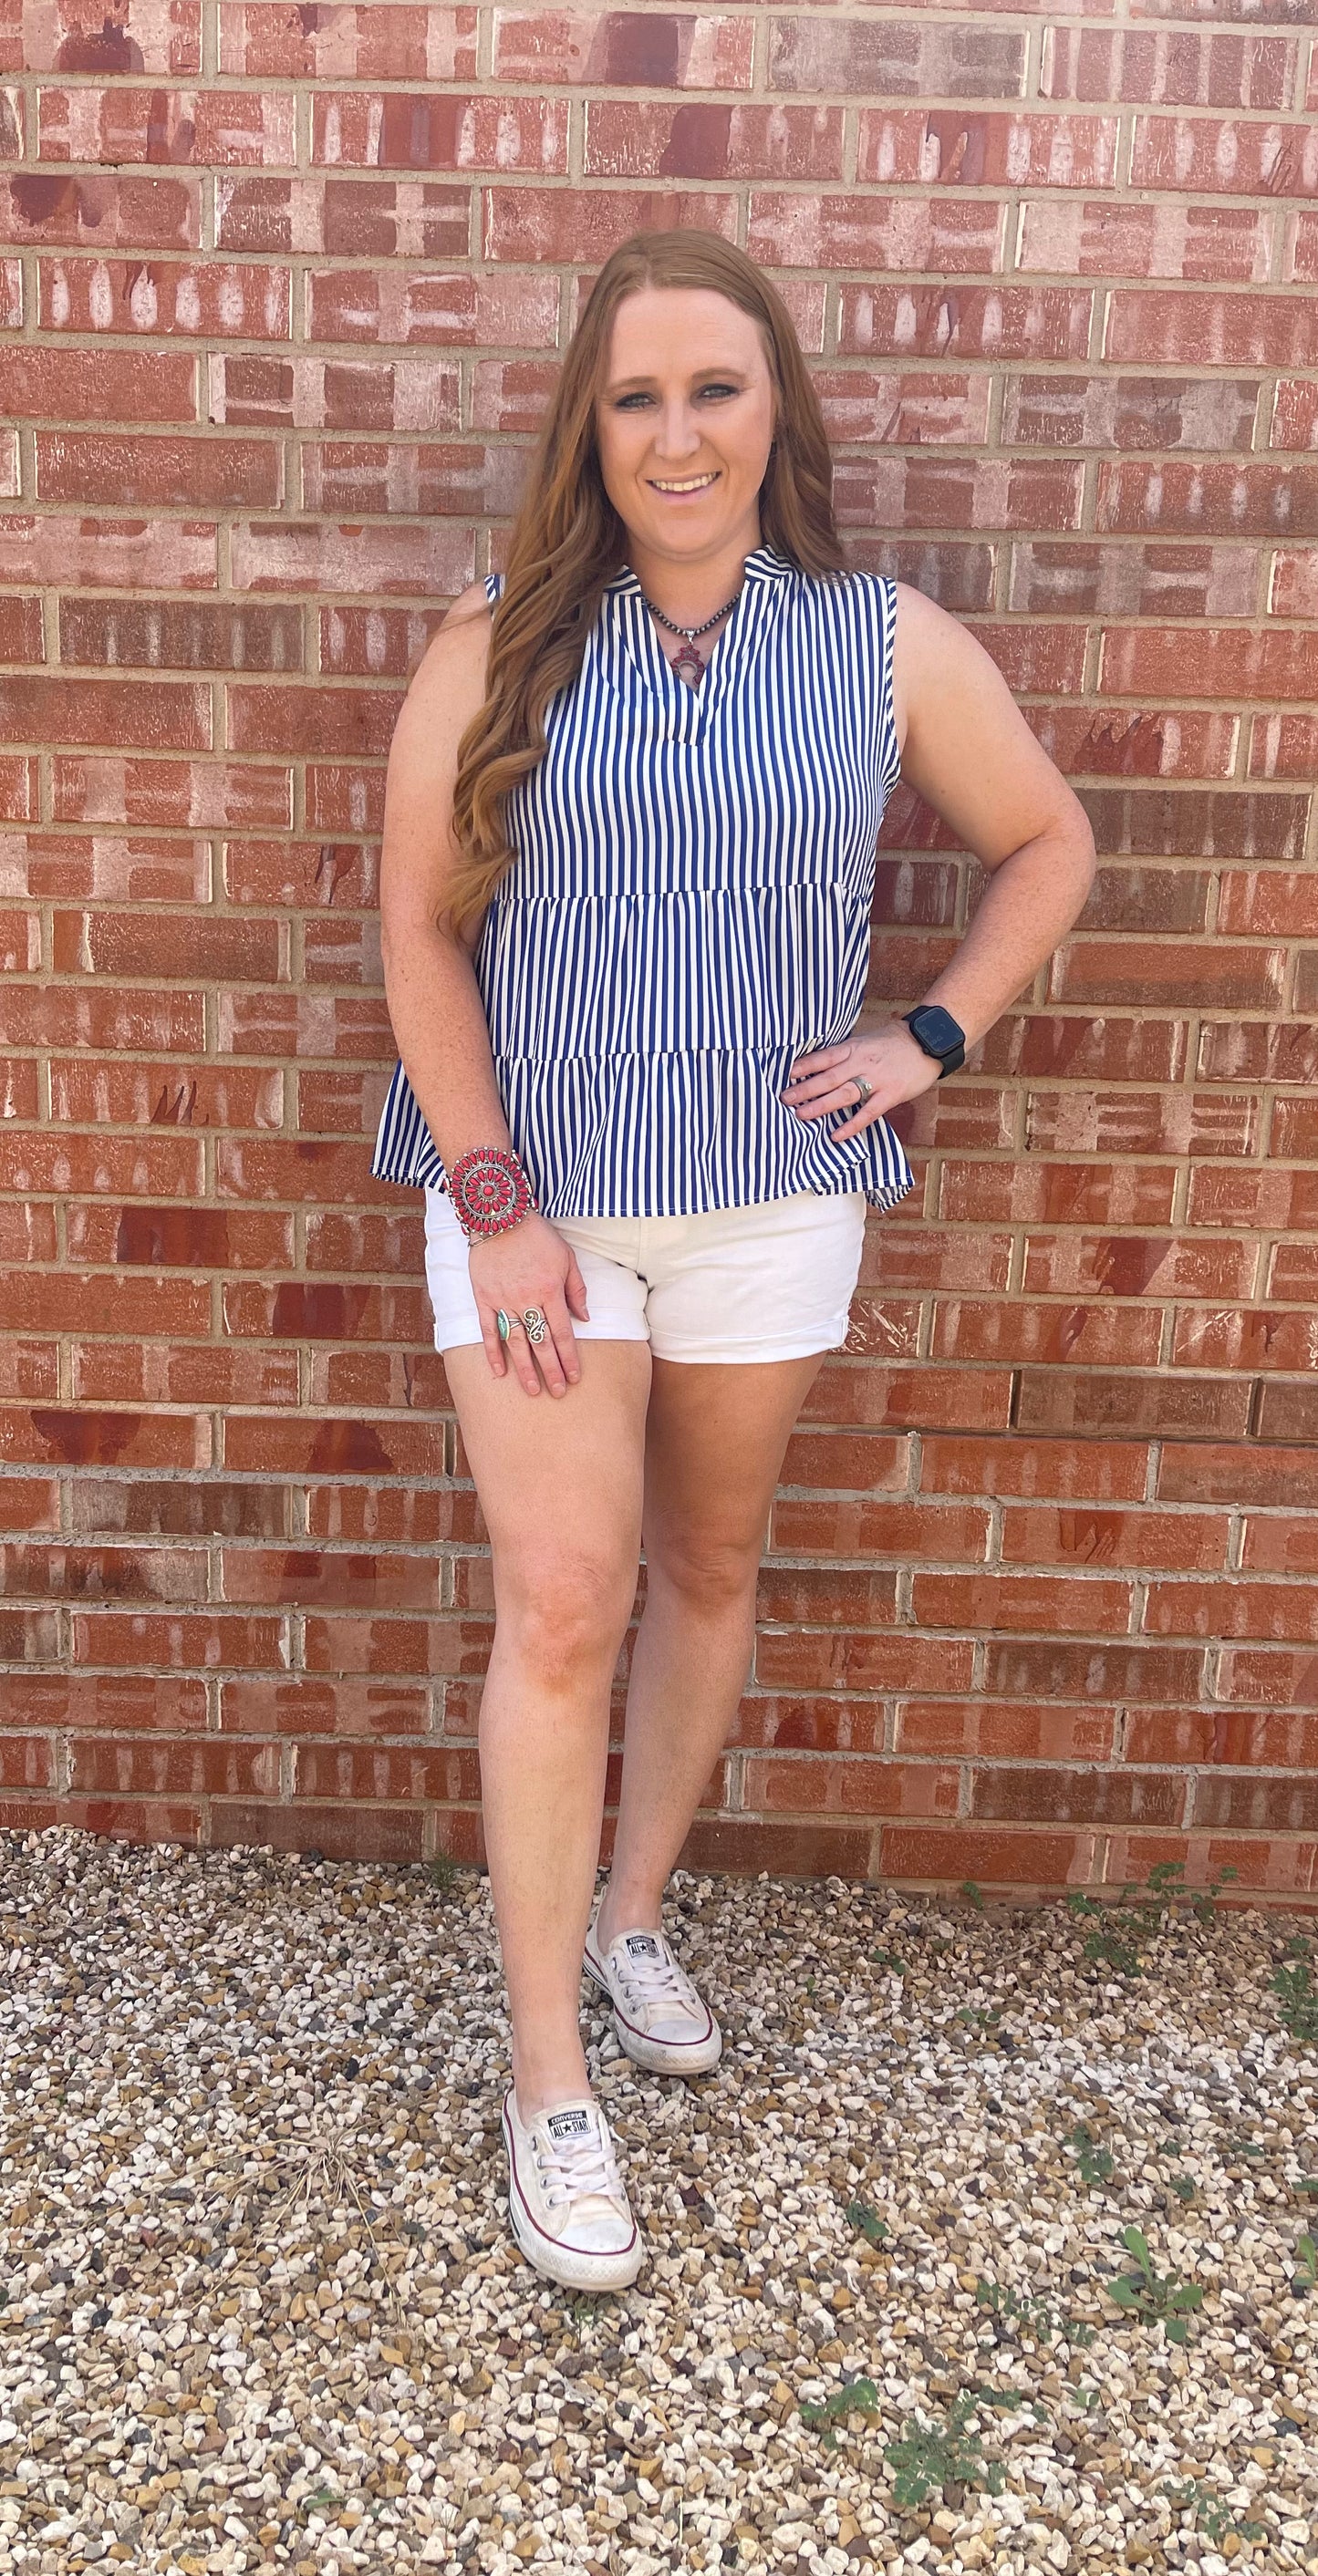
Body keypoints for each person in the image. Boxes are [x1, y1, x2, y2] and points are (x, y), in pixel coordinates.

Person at [372, 229, 1095, 2293]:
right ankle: (546, 2083)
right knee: (566, 1596)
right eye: (634, 397)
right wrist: (495, 1201)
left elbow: (1049, 843)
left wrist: (931, 1029)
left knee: (706, 1565)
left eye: (713, 388)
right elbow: (417, 924)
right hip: (542, 1210)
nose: (676, 433)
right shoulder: (502, 635)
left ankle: (630, 1925)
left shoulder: (877, 642)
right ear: (586, 431)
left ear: (774, 405)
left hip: (774, 1196)